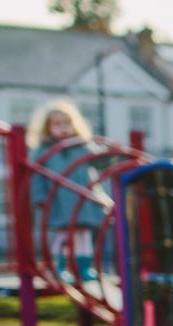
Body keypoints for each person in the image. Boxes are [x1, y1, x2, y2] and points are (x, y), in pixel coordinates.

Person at [27, 98, 106, 281]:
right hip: (58, 201)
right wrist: (39, 198)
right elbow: (36, 177)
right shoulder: (43, 151)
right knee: (62, 235)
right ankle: (58, 268)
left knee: (83, 234)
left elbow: (99, 162)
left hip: (82, 200)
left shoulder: (82, 146)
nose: (63, 128)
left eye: (67, 123)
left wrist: (109, 154)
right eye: (57, 124)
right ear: (47, 128)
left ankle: (84, 268)